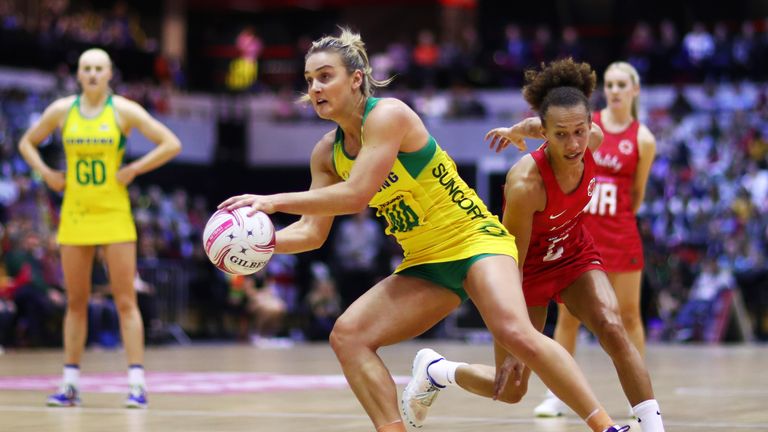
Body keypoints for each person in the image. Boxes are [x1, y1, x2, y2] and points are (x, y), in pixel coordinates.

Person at [219, 28, 626, 432]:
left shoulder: (388, 115)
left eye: (325, 76)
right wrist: (257, 244)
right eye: (309, 80)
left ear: (356, 78)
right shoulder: (327, 153)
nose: (315, 88)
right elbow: (311, 233)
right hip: (425, 262)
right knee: (348, 335)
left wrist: (271, 202)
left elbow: (357, 194)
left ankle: (607, 428)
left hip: (475, 240)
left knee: (516, 337)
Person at [403, 58, 665, 432]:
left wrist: (519, 127)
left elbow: (555, 127)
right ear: (546, 133)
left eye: (579, 131)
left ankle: (655, 427)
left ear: (591, 126)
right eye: (560, 135)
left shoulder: (595, 140)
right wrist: (514, 336)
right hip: (524, 269)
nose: (573, 143)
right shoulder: (526, 183)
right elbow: (513, 260)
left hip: (573, 252)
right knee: (509, 388)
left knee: (613, 325)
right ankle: (437, 370)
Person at [17, 48, 182, 408]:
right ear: (78, 74)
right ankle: (70, 384)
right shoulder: (62, 110)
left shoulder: (122, 110)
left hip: (113, 213)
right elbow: (26, 142)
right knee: (76, 303)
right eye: (86, 68)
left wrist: (136, 168)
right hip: (75, 213)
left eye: (98, 68)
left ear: (110, 74)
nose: (92, 74)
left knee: (126, 300)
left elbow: (172, 143)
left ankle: (137, 384)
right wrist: (46, 173)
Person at [534, 61, 658, 417]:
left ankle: (640, 399)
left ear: (634, 90)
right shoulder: (587, 125)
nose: (615, 90)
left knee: (629, 316)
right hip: (582, 233)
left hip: (621, 235)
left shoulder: (643, 138)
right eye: (610, 84)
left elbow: (637, 195)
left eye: (622, 84)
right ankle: (555, 394)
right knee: (568, 316)